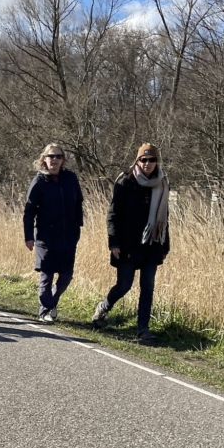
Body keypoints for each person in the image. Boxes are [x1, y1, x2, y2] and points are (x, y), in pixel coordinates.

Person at [92, 143, 171, 342]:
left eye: (151, 160)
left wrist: (165, 246)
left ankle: (143, 329)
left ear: (156, 162)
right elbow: (113, 215)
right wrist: (113, 243)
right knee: (124, 285)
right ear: (137, 161)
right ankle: (103, 308)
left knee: (148, 286)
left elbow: (164, 218)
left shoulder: (162, 183)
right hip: (128, 243)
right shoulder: (126, 181)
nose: (147, 163)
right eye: (143, 160)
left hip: (152, 243)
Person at [23, 144, 84, 322]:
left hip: (68, 236)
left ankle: (51, 303)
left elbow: (78, 203)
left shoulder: (70, 178)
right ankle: (45, 311)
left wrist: (77, 227)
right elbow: (29, 211)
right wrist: (28, 236)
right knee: (46, 275)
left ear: (63, 160)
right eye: (51, 156)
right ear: (44, 159)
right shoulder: (39, 181)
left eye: (58, 156)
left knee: (66, 276)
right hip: (46, 237)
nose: (54, 159)